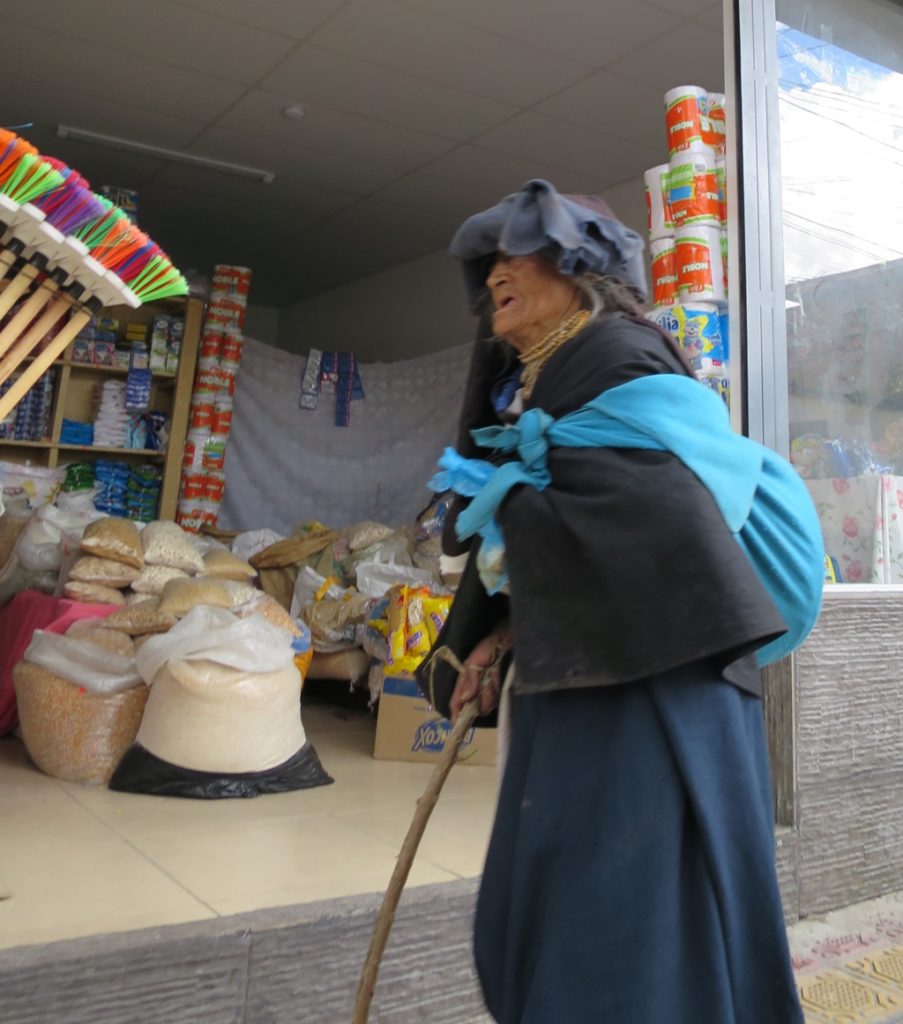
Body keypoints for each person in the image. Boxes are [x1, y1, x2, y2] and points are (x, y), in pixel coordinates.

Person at [431, 180, 806, 1023]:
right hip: (598, 662)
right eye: (490, 260)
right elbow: (576, 530)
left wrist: (520, 512)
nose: (497, 271)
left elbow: (646, 520)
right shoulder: (541, 381)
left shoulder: (618, 357)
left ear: (581, 273)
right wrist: (493, 634)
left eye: (521, 254)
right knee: (570, 877)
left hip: (663, 675)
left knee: (634, 893)